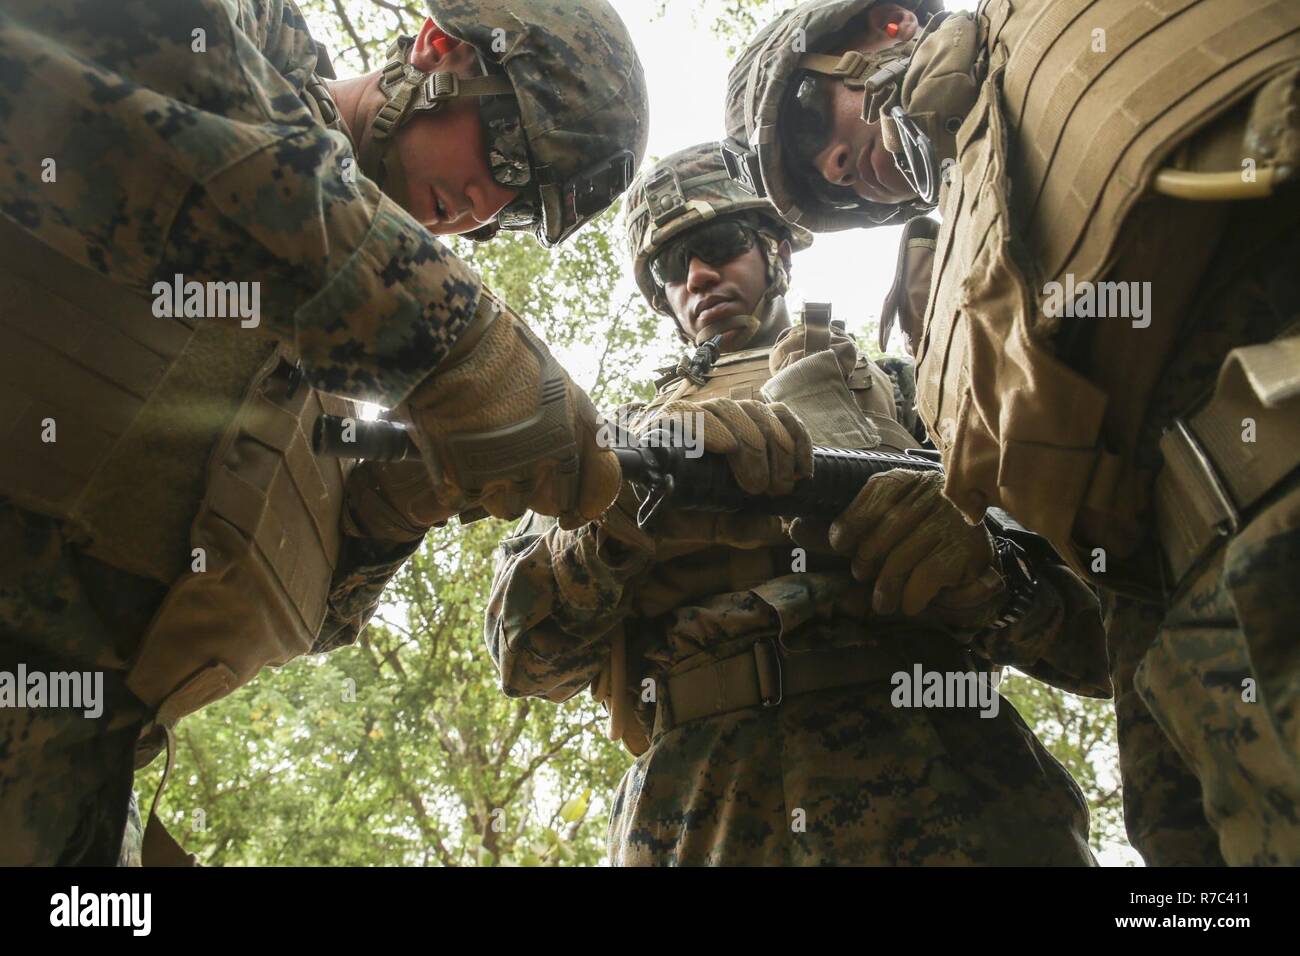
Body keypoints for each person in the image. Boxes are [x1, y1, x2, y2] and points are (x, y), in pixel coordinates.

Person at [0, 0, 648, 865]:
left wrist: (398, 508)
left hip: (71, 782)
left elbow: (315, 619)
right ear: (437, 48)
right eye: (511, 154)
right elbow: (90, 62)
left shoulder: (337, 381)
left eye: (524, 211)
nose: (485, 209)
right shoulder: (245, 47)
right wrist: (451, 337)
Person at [723, 0, 1299, 864]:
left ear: (886, 22)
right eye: (823, 184)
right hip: (1216, 673)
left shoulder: (1065, 18)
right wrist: (994, 583)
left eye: (810, 118)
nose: (838, 165)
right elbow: (1093, 630)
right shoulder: (950, 323)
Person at [485, 142, 1111, 865]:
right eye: (669, 268)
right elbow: (528, 660)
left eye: (720, 244)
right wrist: (618, 518)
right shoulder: (611, 445)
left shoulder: (915, 393)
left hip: (945, 771)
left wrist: (986, 570)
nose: (697, 276)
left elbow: (1099, 640)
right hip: (700, 806)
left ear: (778, 249)